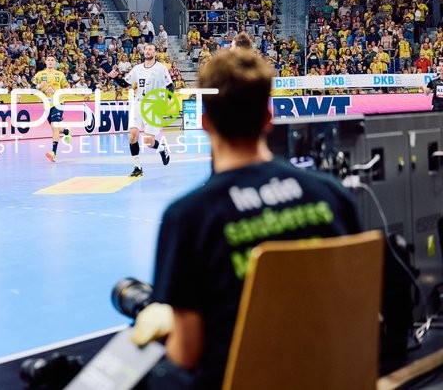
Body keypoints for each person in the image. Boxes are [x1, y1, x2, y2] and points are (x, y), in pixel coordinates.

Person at [130, 49, 360, 389]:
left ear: (206, 123)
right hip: (330, 374)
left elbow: (187, 353)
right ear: (268, 118)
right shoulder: (331, 194)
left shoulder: (190, 218)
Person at [109, 43, 172, 176]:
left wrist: (169, 98)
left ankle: (161, 148)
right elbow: (125, 84)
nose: (148, 51)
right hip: (138, 103)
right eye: (146, 49)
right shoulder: (137, 68)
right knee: (132, 136)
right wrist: (114, 78)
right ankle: (137, 167)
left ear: (155, 53)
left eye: (150, 49)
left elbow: (170, 85)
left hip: (154, 105)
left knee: (148, 142)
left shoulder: (161, 68)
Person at [33, 54, 72, 162]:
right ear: (45, 62)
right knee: (56, 129)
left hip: (58, 102)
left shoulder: (60, 74)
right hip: (47, 104)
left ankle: (53, 153)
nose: (50, 61)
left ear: (55, 63)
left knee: (55, 126)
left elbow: (66, 86)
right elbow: (32, 88)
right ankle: (66, 131)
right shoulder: (40, 74)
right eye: (48, 60)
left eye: (52, 60)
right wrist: (39, 86)